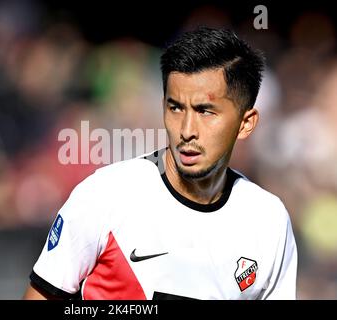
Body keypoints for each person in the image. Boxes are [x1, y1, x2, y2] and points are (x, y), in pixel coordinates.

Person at [23, 27, 297, 300]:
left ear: (245, 123)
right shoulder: (104, 195)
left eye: (205, 111)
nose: (187, 129)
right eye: (175, 107)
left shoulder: (268, 220)